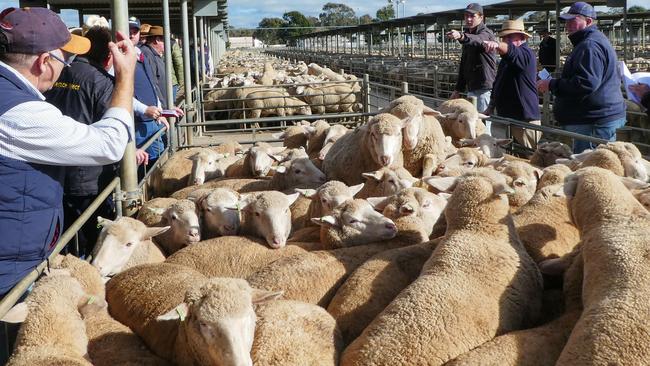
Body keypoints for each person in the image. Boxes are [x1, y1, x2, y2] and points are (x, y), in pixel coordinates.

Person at [0, 7, 136, 296]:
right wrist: (125, 77)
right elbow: (109, 143)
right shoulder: (20, 114)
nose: (70, 64)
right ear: (44, 62)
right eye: (68, 57)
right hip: (9, 271)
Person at [44, 26, 117, 258]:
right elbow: (111, 125)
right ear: (108, 57)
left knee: (62, 233)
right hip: (89, 174)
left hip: (54, 168)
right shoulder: (102, 81)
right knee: (94, 229)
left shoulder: (57, 72)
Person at [537, 2, 625, 153]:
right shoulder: (589, 42)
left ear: (588, 21)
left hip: (592, 121)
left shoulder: (589, 45)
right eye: (566, 21)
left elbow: (586, 83)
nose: (567, 25)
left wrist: (552, 84)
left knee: (590, 169)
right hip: (595, 117)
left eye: (573, 20)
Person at [483, 20, 541, 149]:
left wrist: (497, 44)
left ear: (521, 37)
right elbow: (498, 83)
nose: (505, 40)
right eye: (503, 37)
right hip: (508, 117)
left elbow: (512, 52)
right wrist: (491, 106)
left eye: (509, 37)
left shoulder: (526, 54)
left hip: (524, 120)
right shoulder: (505, 61)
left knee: (527, 157)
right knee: (509, 157)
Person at [128, 18, 168, 175]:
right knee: (143, 164)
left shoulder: (139, 54)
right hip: (138, 120)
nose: (132, 35)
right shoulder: (119, 57)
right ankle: (142, 195)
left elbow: (152, 84)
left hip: (150, 117)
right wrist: (145, 110)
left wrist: (160, 111)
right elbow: (119, 93)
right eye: (128, 31)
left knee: (157, 158)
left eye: (135, 31)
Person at [446, 3, 498, 119]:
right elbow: (464, 63)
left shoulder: (486, 33)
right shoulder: (469, 34)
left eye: (472, 16)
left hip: (483, 87)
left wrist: (462, 36)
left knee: (482, 124)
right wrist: (458, 88)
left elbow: (479, 40)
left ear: (481, 17)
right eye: (466, 16)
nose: (468, 19)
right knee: (471, 122)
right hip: (472, 87)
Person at [171, 35, 184, 101]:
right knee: (170, 105)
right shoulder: (172, 44)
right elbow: (179, 64)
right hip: (171, 80)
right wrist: (181, 82)